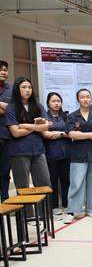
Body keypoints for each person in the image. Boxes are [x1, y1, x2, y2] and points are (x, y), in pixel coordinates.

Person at [64, 89, 92, 223]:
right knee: (76, 183)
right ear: (78, 99)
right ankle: (73, 210)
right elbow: (72, 134)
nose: (86, 99)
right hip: (78, 154)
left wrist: (82, 135)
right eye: (82, 97)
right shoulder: (72, 116)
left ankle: (91, 208)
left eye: (88, 97)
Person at [5, 77, 52, 192]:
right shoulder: (11, 108)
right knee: (23, 187)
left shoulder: (37, 105)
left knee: (45, 184)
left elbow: (46, 126)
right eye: (24, 87)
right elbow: (15, 132)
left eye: (30, 87)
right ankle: (26, 211)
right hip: (19, 151)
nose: (27, 90)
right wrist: (36, 127)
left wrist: (25, 125)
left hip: (38, 149)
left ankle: (45, 211)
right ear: (17, 89)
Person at [42, 92, 71, 214]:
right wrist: (62, 134)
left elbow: (71, 132)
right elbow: (46, 135)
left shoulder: (66, 116)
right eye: (53, 101)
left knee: (66, 180)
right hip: (51, 153)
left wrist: (58, 134)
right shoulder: (45, 118)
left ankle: (66, 204)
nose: (56, 103)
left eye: (58, 101)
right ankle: (54, 206)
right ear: (48, 103)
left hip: (67, 152)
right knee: (53, 180)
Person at [0, 60, 13, 201]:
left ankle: (4, 197)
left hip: (7, 135)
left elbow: (13, 110)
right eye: (1, 70)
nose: (4, 72)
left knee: (5, 169)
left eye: (5, 69)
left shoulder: (11, 89)